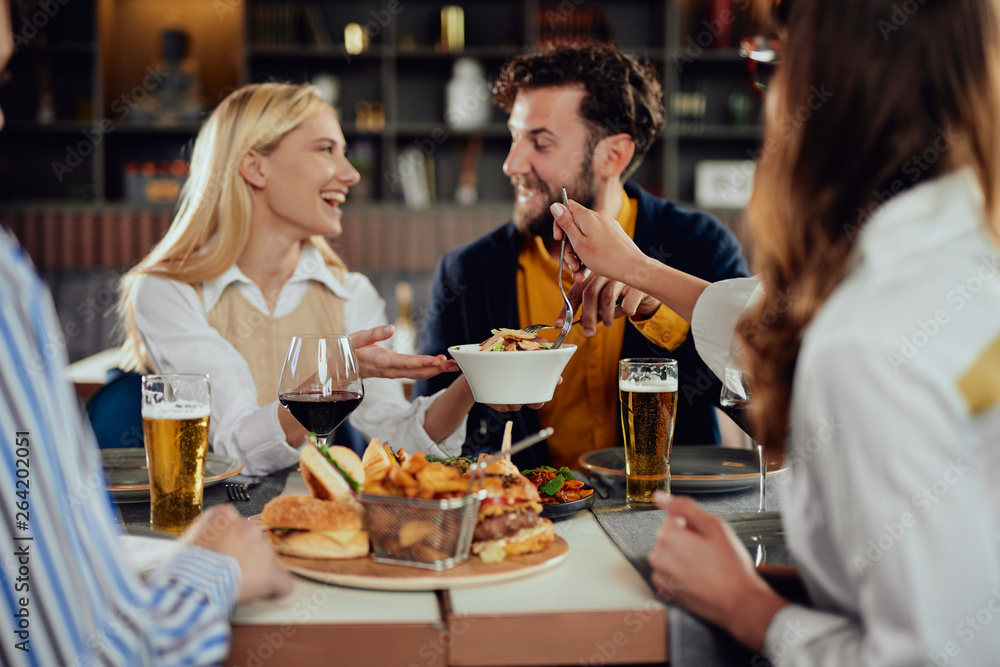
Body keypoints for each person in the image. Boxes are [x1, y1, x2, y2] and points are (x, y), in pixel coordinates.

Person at [552, 0, 1000, 663]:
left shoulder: (868, 345)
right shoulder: (959, 264)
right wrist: (639, 269)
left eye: (774, 64)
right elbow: (779, 326)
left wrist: (742, 603)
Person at [0, 5, 293, 663]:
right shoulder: (11, 283)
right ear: (253, 170)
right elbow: (81, 651)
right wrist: (215, 569)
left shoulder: (341, 290)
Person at [118, 83, 536, 477]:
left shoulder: (350, 294)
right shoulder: (167, 291)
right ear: (255, 167)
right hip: (212, 525)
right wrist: (330, 376)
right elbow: (234, 453)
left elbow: (398, 445)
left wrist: (473, 381)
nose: (351, 174)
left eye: (345, 152)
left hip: (320, 522)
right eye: (326, 150)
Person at [416, 44, 749, 469]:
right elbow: (427, 436)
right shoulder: (467, 271)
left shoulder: (700, 244)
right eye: (515, 137)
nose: (511, 163)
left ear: (614, 155)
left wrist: (656, 308)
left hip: (663, 514)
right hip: (526, 519)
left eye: (540, 142)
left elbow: (752, 396)